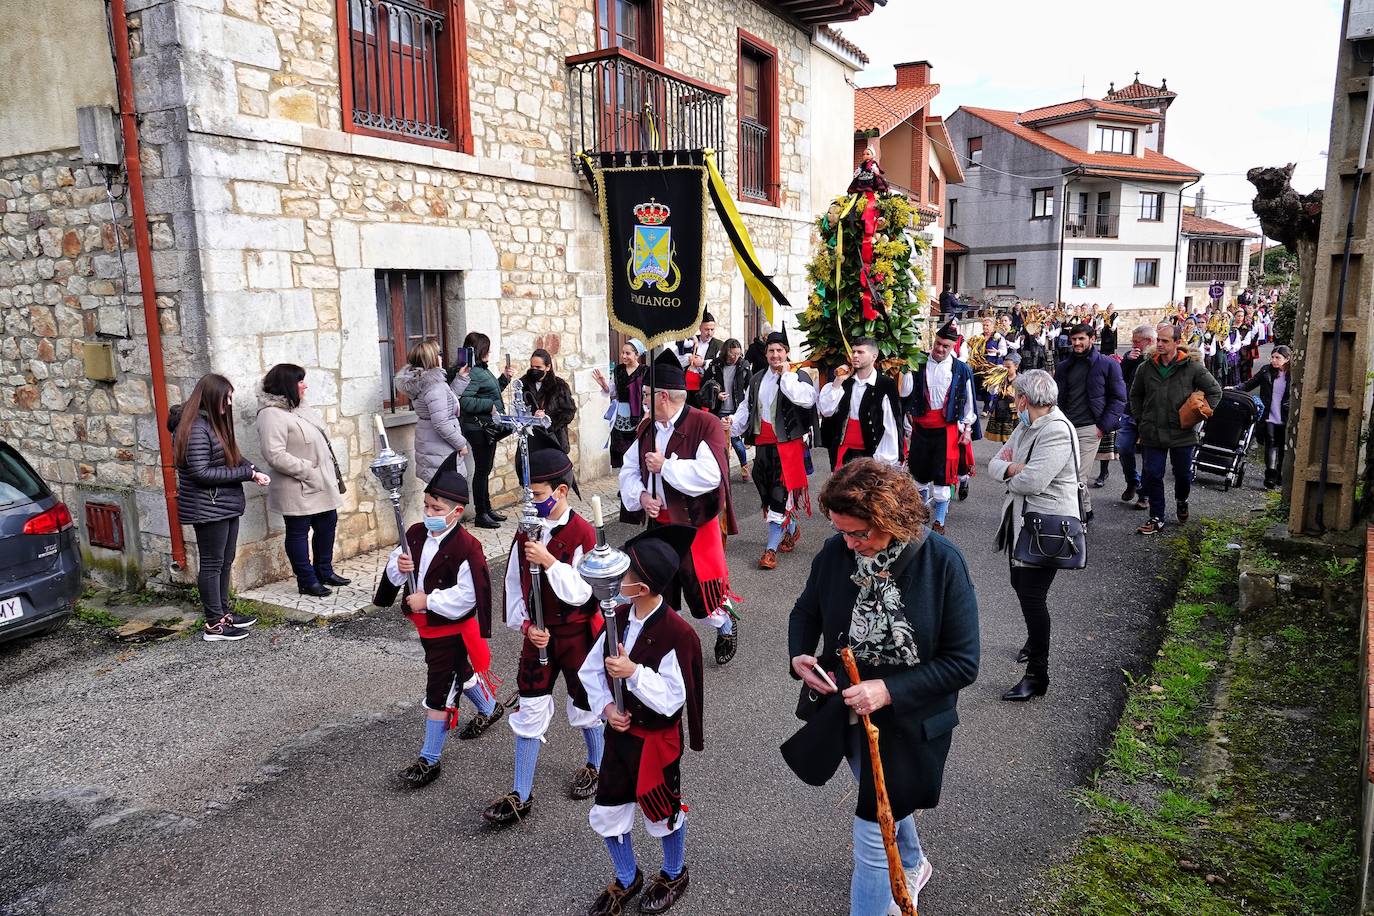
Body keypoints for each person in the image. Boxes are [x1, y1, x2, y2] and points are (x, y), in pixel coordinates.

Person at [783, 459, 979, 916]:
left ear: (892, 519)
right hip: (849, 714)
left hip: (914, 724)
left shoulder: (943, 564)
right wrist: (799, 656)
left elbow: (963, 663)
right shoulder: (836, 552)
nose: (850, 544)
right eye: (842, 532)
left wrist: (887, 690)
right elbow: (805, 610)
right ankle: (913, 861)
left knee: (871, 837)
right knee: (884, 794)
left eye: (860, 534)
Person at [577, 524, 704, 916]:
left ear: (644, 586)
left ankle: (673, 871)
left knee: (662, 810)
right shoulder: (618, 615)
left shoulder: (677, 633)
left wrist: (633, 672)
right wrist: (606, 709)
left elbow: (673, 699)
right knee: (611, 806)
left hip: (656, 742)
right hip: (620, 736)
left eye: (625, 574)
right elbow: (589, 672)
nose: (617, 579)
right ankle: (627, 875)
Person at [485, 449, 602, 827]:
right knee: (530, 706)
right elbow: (514, 584)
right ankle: (521, 793)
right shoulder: (526, 529)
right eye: (528, 495)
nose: (530, 503)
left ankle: (597, 764)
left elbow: (584, 592)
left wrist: (550, 561)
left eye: (536, 495)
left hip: (575, 634)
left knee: (586, 704)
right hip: (538, 636)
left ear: (562, 490)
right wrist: (526, 627)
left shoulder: (582, 533)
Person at [374, 467, 499, 788]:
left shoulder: (467, 548)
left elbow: (468, 595)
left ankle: (429, 759)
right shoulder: (414, 533)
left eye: (437, 509)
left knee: (440, 688)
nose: (429, 513)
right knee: (459, 670)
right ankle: (489, 706)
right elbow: (394, 569)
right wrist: (398, 567)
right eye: (427, 506)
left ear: (457, 512)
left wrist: (428, 600)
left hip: (450, 629)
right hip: (426, 627)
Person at [620, 354, 741, 665]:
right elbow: (630, 469)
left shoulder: (705, 424)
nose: (642, 399)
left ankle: (725, 624)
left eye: (646, 394)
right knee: (660, 586)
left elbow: (711, 475)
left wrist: (666, 467)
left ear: (662, 396)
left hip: (693, 525)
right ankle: (666, 641)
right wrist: (642, 495)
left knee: (701, 591)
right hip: (658, 523)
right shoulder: (647, 426)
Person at [988, 370, 1080, 701]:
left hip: (1047, 528)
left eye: (1016, 398)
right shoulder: (1027, 425)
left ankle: (1037, 675)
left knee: (1032, 596)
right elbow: (996, 463)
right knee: (1020, 585)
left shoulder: (1056, 430)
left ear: (1024, 399)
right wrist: (1013, 469)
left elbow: (1033, 483)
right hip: (1023, 522)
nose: (1014, 403)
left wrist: (1013, 472)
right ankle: (1033, 640)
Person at [171, 374, 269, 641]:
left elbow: (233, 457)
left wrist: (253, 470)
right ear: (212, 397)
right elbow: (201, 472)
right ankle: (214, 624)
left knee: (225, 561)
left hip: (223, 505)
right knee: (212, 564)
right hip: (207, 507)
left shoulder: (210, 424)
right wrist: (245, 474)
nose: (229, 403)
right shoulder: (193, 429)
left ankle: (223, 613)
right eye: (225, 397)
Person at [255, 363, 349, 599]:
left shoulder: (299, 409)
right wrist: (308, 470)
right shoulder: (270, 415)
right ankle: (306, 580)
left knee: (327, 523)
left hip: (319, 484)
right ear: (287, 385)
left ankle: (324, 571)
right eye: (299, 381)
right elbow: (274, 454)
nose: (304, 385)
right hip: (296, 486)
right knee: (298, 532)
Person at [727, 330, 819, 571]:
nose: (775, 355)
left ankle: (770, 550)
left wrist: (787, 376)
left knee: (779, 495)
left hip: (788, 446)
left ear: (787, 352)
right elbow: (747, 408)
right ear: (765, 354)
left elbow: (806, 401)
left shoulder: (799, 377)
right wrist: (732, 425)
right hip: (764, 444)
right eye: (771, 351)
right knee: (765, 490)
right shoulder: (757, 378)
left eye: (780, 350)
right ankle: (790, 528)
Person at [1130, 323, 1222, 535]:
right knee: (1153, 474)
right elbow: (1135, 395)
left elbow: (1214, 391)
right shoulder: (1146, 367)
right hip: (1152, 431)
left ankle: (1182, 500)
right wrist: (1140, 418)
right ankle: (1156, 516)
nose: (1160, 344)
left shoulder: (1192, 367)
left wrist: (1201, 414)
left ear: (1177, 343)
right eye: (1158, 340)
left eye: (1165, 341)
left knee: (1182, 475)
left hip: (1182, 432)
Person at [904, 320, 976, 536]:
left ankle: (939, 521)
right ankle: (922, 512)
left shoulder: (961, 369)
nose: (940, 349)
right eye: (938, 343)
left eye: (946, 346)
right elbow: (907, 395)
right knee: (919, 474)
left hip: (947, 430)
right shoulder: (917, 362)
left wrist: (967, 428)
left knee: (943, 476)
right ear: (933, 341)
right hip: (920, 428)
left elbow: (968, 401)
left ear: (953, 347)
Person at [1054, 323, 1125, 514]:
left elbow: (1119, 398)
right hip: (1065, 427)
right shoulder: (1064, 366)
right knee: (1062, 473)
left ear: (1092, 339)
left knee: (1078, 476)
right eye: (1074, 339)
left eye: (1081, 339)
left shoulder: (1108, 364)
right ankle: (1085, 509)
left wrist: (1102, 426)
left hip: (1090, 429)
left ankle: (1078, 515)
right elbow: (1056, 397)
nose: (1076, 343)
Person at [818, 337, 905, 469]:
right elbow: (826, 410)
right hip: (844, 452)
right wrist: (838, 381)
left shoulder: (885, 384)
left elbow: (891, 424)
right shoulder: (844, 382)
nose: (855, 356)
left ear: (874, 356)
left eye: (860, 352)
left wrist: (886, 461)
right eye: (853, 352)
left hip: (872, 455)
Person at [457, 331, 513, 529]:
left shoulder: (480, 370)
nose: (489, 351)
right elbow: (464, 401)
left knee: (485, 469)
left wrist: (504, 379)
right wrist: (488, 405)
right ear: (480, 350)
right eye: (486, 348)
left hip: (486, 427)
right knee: (482, 471)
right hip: (479, 429)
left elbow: (490, 391)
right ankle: (481, 514)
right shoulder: (473, 372)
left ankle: (487, 509)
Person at [395, 340, 469, 485]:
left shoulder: (425, 383)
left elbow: (444, 402)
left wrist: (461, 378)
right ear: (432, 358)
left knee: (436, 497)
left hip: (431, 445)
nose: (441, 357)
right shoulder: (435, 386)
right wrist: (461, 444)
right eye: (438, 354)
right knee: (445, 499)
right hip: (441, 450)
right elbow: (441, 422)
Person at [1238, 345, 1292, 489]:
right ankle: (1270, 475)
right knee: (1271, 442)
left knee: (1282, 445)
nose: (1274, 360)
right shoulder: (1266, 370)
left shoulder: (1293, 375)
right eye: (1272, 357)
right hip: (1269, 413)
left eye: (1278, 358)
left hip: (1285, 415)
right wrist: (1236, 388)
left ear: (1287, 359)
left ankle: (1279, 473)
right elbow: (1251, 383)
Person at [592, 339, 648, 470]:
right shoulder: (618, 370)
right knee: (622, 455)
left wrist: (646, 418)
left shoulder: (645, 371)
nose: (623, 356)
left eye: (628, 353)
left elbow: (647, 396)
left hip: (638, 416)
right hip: (620, 418)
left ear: (637, 354)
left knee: (636, 454)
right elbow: (612, 391)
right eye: (623, 353)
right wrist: (603, 384)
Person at [1117, 325, 1157, 508]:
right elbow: (1120, 378)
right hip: (1129, 412)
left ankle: (1145, 494)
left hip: (1150, 416)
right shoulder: (1131, 356)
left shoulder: (1158, 358)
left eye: (1136, 342)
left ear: (1148, 342)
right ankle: (1133, 481)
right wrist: (1127, 362)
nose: (1133, 345)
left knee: (1149, 457)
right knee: (1124, 449)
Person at [707, 338, 752, 479]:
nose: (735, 357)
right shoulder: (716, 365)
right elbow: (706, 383)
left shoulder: (743, 366)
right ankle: (722, 471)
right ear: (725, 352)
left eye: (738, 354)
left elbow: (750, 387)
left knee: (735, 441)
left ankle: (744, 466)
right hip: (719, 409)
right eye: (732, 354)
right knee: (719, 441)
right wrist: (716, 393)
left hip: (736, 409)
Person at [520, 348, 577, 453]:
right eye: (532, 366)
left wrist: (548, 420)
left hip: (555, 441)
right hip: (532, 440)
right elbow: (519, 409)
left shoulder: (559, 385)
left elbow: (569, 412)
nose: (534, 370)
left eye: (538, 367)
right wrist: (531, 417)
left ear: (548, 367)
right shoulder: (523, 384)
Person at [677, 311, 723, 409]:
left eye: (712, 329)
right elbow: (676, 359)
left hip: (708, 390)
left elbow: (721, 364)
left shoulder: (719, 345)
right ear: (700, 328)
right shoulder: (690, 341)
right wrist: (689, 359)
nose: (709, 333)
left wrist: (703, 363)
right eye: (706, 329)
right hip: (688, 388)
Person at [982, 352, 1021, 443]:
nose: (1006, 369)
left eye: (1008, 367)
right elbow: (992, 392)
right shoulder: (1000, 379)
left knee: (1015, 437)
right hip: (1001, 410)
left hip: (1014, 413)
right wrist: (993, 383)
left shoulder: (1021, 380)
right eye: (1004, 367)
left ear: (1016, 366)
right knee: (1005, 439)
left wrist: (1014, 396)